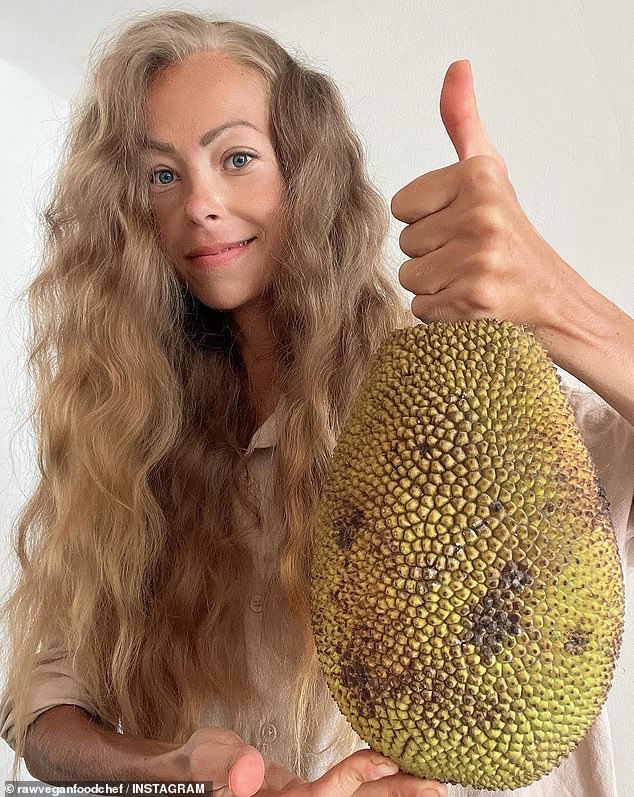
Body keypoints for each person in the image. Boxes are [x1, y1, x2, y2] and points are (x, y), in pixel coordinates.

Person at [0, 9, 632, 797]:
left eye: (236, 157)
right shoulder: (129, 440)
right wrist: (182, 764)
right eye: (162, 175)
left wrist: (558, 304)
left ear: (307, 173)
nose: (199, 202)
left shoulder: (463, 412)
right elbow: (41, 712)